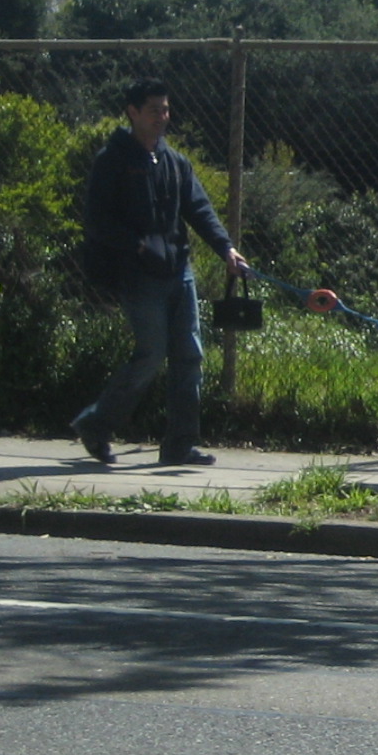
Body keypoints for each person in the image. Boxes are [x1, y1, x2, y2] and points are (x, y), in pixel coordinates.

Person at [72, 76, 249, 468]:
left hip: (179, 272)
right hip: (139, 276)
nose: (162, 117)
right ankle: (96, 425)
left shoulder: (174, 161)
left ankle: (179, 446)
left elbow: (199, 209)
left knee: (189, 356)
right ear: (133, 112)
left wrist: (226, 249)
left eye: (166, 110)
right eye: (154, 110)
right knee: (151, 356)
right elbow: (98, 221)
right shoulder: (112, 160)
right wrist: (136, 245)